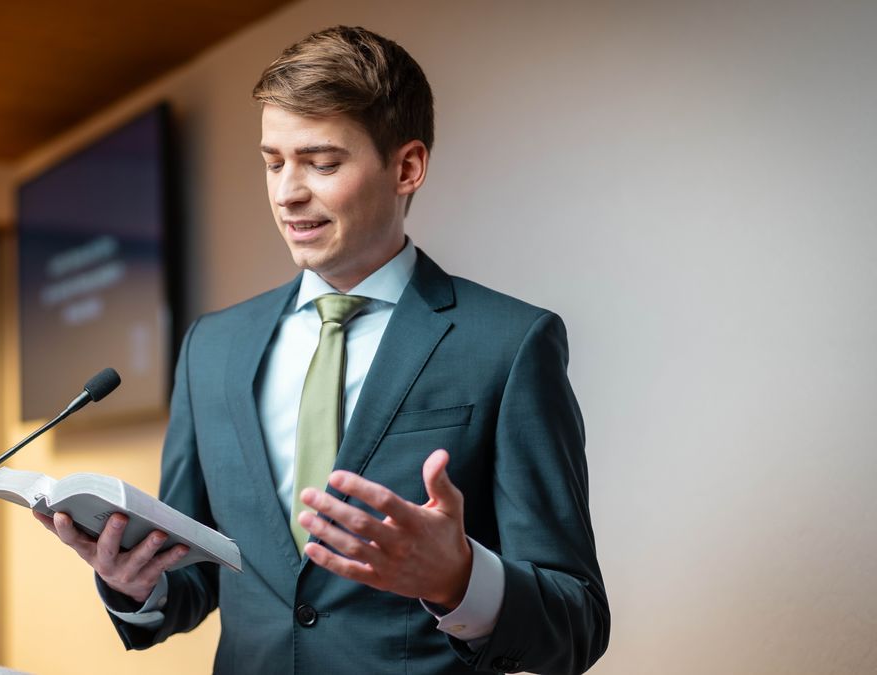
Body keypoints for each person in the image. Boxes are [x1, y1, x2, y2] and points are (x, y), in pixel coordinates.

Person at [34, 25, 610, 674]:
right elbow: (196, 577)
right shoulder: (212, 347)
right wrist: (134, 582)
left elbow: (577, 619)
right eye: (273, 162)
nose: (287, 192)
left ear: (407, 167)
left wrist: (461, 578)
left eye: (322, 162)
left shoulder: (509, 343)